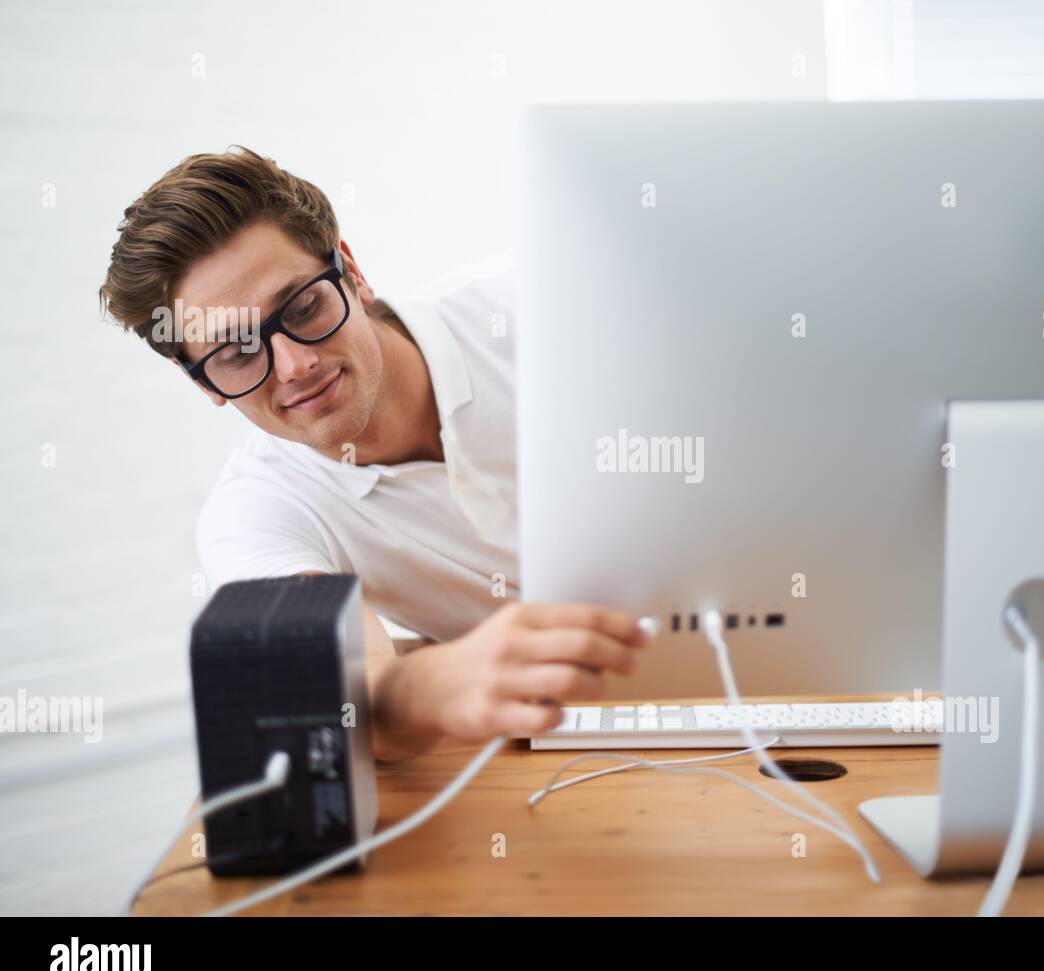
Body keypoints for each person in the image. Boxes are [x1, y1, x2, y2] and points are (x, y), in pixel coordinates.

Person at [100, 147, 649, 761]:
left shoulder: (539, 304)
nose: (296, 364)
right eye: (236, 353)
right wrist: (430, 689)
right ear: (202, 382)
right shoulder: (258, 513)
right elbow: (339, 697)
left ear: (352, 273)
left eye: (304, 306)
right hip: (594, 752)